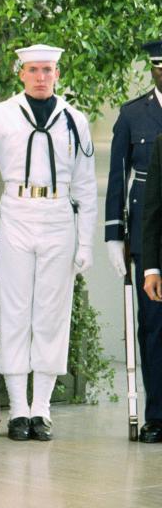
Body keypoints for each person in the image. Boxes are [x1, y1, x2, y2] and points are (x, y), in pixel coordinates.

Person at [0, 44, 97, 442]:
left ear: (58, 73)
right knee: (15, 309)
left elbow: (87, 186)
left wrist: (86, 242)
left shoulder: (74, 119)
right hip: (17, 211)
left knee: (52, 313)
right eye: (34, 70)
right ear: (20, 73)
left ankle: (41, 408)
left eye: (49, 69)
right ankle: (17, 409)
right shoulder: (0, 116)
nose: (41, 77)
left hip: (59, 214)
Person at [108, 39, 162, 443]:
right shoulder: (132, 114)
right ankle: (157, 414)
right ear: (152, 70)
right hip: (149, 233)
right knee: (153, 329)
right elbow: (116, 179)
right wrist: (114, 235)